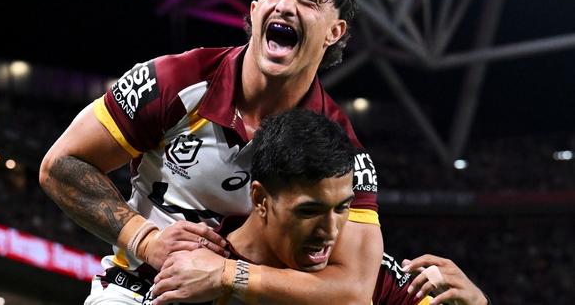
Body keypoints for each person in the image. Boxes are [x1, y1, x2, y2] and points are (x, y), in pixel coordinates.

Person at [39, 0, 382, 303]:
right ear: (253, 11)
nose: (284, 7)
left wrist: (227, 274)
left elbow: (354, 291)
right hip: (138, 290)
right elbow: (60, 165)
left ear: (335, 32)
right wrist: (145, 238)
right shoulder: (174, 80)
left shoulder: (341, 151)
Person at [152, 110, 491, 305]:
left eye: (341, 208)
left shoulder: (373, 279)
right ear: (260, 200)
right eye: (309, 211)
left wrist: (479, 304)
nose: (330, 232)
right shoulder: (191, 278)